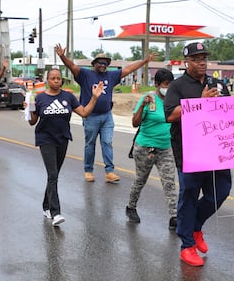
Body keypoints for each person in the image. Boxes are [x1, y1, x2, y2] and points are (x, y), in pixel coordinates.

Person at [164, 42, 232, 267]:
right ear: (187, 62)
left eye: (204, 58)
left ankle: (195, 227)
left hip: (216, 150)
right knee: (189, 195)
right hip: (189, 151)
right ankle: (186, 246)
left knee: (220, 192)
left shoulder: (218, 84)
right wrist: (200, 103)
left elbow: (229, 112)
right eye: (196, 58)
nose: (202, 62)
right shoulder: (177, 86)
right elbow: (171, 115)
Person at [55, 45, 156, 183]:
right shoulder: (85, 75)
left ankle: (109, 171)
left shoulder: (111, 75)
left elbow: (129, 69)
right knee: (90, 144)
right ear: (94, 64)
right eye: (100, 62)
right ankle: (88, 170)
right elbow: (72, 66)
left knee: (107, 142)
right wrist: (62, 56)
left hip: (107, 115)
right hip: (91, 116)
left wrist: (145, 61)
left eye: (106, 63)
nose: (104, 65)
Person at [27, 66, 104, 227]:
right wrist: (29, 107)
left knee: (53, 176)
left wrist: (94, 98)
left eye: (59, 78)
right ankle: (56, 213)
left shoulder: (68, 97)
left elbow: (84, 113)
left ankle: (46, 206)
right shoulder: (40, 98)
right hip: (45, 139)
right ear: (47, 80)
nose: (56, 81)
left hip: (62, 139)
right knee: (53, 174)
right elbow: (32, 121)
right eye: (53, 78)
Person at [125, 69, 178, 230]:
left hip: (166, 147)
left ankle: (174, 216)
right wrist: (143, 106)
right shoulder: (149, 99)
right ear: (157, 84)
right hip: (145, 148)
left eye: (170, 84)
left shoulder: (174, 100)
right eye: (165, 84)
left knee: (169, 182)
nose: (167, 88)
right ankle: (131, 206)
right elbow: (135, 122)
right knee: (140, 180)